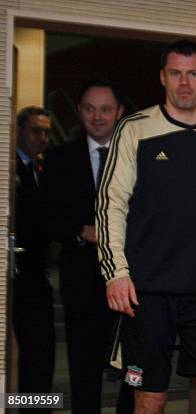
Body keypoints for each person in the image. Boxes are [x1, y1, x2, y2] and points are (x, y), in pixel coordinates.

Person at [96, 39, 196, 414]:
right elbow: (110, 205)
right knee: (151, 398)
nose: (185, 83)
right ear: (163, 78)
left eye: (193, 73)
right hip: (146, 291)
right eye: (176, 73)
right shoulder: (135, 129)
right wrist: (116, 273)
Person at [42, 79, 133, 413]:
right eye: (90, 109)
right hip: (80, 274)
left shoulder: (139, 157)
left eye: (106, 109)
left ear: (119, 112)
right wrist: (81, 232)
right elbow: (46, 217)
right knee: (83, 362)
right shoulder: (59, 158)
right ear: (79, 112)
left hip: (131, 278)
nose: (98, 117)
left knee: (131, 365)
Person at [13, 106, 54, 411]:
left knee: (40, 350)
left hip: (35, 272)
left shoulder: (43, 169)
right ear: (19, 131)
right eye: (35, 131)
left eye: (46, 132)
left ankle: (34, 408)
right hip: (13, 270)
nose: (42, 138)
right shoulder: (10, 167)